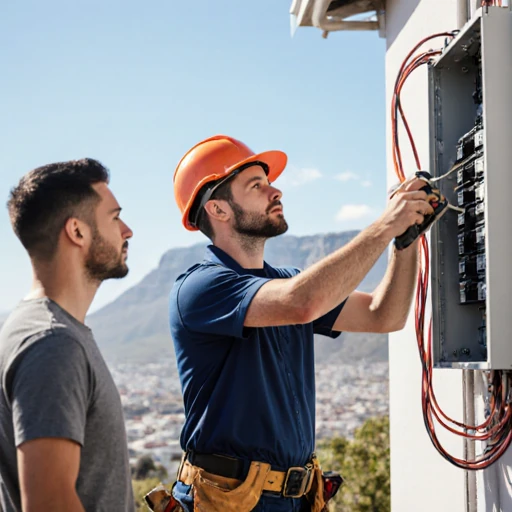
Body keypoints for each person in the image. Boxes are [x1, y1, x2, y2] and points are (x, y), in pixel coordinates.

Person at [167, 135, 434, 512]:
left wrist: (405, 240)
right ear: (218, 209)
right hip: (228, 502)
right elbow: (301, 302)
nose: (275, 191)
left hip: (298, 498)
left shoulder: (286, 281)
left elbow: (383, 313)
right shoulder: (201, 287)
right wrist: (385, 225)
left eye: (269, 181)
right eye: (256, 185)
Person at [0, 159, 135, 512]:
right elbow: (49, 503)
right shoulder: (52, 342)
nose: (128, 230)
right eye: (115, 217)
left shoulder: (35, 329)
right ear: (77, 231)